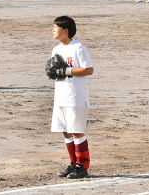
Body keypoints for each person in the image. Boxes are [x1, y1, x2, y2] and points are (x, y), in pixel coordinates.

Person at [49, 16, 94, 179]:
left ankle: (82, 166)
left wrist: (67, 71)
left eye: (55, 27)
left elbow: (88, 69)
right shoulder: (56, 50)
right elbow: (54, 71)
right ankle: (73, 164)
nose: (53, 30)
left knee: (77, 131)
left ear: (65, 31)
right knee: (66, 132)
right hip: (61, 95)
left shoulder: (78, 48)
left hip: (76, 96)